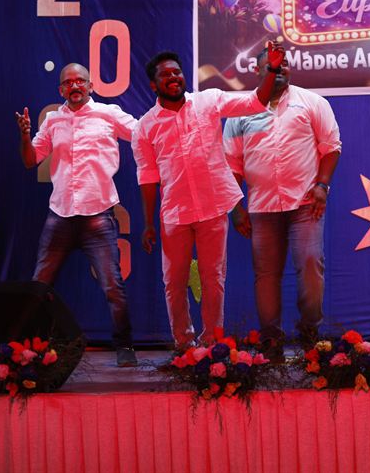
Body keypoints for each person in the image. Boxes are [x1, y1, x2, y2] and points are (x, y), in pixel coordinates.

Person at [132, 44, 283, 349]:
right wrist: (148, 223)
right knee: (174, 282)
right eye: (165, 75)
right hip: (174, 213)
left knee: (213, 278)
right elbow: (148, 178)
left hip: (213, 207)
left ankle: (212, 344)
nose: (173, 78)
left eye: (177, 72)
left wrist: (272, 69)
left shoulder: (208, 100)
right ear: (154, 85)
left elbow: (256, 101)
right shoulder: (145, 127)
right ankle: (183, 344)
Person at [15, 63, 139, 367]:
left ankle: (124, 346)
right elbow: (30, 160)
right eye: (68, 82)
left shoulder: (108, 114)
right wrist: (25, 134)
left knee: (112, 286)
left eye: (80, 81)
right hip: (60, 214)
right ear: (61, 89)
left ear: (90, 85)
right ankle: (25, 348)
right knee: (39, 284)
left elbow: (142, 133)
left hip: (98, 214)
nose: (74, 86)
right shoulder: (53, 121)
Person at [224, 48, 341, 353]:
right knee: (265, 276)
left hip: (305, 204)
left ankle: (309, 335)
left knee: (311, 266)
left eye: (284, 65)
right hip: (261, 208)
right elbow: (231, 164)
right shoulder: (240, 111)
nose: (279, 70)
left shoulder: (312, 102)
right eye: (272, 66)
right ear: (257, 71)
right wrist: (235, 208)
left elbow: (331, 147)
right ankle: (271, 341)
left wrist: (322, 186)